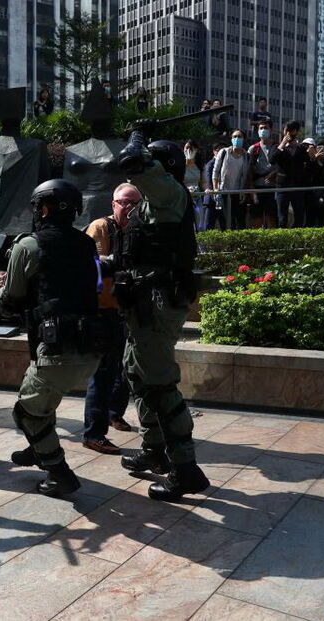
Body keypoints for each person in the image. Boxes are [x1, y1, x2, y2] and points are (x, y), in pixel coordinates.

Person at [112, 131, 209, 502]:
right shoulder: (154, 205)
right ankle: (155, 448)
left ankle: (186, 470)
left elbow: (134, 165)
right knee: (136, 373)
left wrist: (137, 139)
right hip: (141, 303)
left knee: (160, 382)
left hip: (157, 304)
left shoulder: (170, 195)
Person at [0, 179, 103, 496]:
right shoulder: (85, 243)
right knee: (45, 402)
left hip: (57, 350)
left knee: (26, 412)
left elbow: (9, 301)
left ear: (43, 207)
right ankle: (38, 450)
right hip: (91, 346)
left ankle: (58, 471)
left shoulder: (29, 245)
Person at [81, 183, 138, 455]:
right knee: (103, 373)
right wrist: (117, 263)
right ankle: (94, 433)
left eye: (134, 203)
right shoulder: (100, 227)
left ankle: (115, 413)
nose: (128, 208)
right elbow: (88, 262)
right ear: (113, 204)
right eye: (123, 203)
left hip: (128, 309)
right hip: (102, 310)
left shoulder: (140, 229)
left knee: (125, 368)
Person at [270, 120, 310, 228]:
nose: (288, 133)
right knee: (282, 217)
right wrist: (282, 144)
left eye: (291, 131)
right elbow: (272, 160)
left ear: (296, 132)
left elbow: (308, 162)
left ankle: (296, 239)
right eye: (286, 130)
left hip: (297, 186)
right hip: (282, 186)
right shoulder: (277, 147)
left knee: (299, 216)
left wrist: (303, 149)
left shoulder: (301, 148)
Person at [211, 128, 251, 230]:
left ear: (244, 139)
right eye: (234, 137)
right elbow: (215, 172)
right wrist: (216, 189)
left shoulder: (246, 155)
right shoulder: (224, 152)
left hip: (239, 194)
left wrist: (244, 192)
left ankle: (239, 245)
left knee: (240, 222)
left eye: (239, 137)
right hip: (224, 193)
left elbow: (247, 176)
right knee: (227, 222)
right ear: (231, 139)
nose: (237, 138)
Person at [247, 120, 279, 228]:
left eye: (265, 128)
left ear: (271, 130)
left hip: (273, 189)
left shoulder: (278, 147)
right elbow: (249, 173)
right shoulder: (253, 149)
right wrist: (252, 192)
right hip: (257, 188)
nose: (263, 130)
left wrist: (275, 173)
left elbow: (284, 167)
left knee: (272, 219)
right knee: (256, 220)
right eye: (261, 128)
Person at [304, 138, 324, 227]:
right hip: (310, 192)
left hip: (322, 191)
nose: (320, 150)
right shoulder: (308, 160)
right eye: (318, 147)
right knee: (309, 219)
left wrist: (321, 160)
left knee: (322, 218)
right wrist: (314, 158)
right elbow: (307, 171)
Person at [183, 141, 205, 230]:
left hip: (196, 195)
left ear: (196, 150)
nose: (188, 150)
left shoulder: (199, 164)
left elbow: (203, 181)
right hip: (184, 195)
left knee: (199, 219)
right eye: (186, 148)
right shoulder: (180, 164)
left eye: (190, 148)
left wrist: (207, 190)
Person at [203, 143, 226, 231]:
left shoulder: (226, 163)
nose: (221, 152)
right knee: (209, 224)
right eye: (218, 150)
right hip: (212, 199)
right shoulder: (210, 164)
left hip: (223, 198)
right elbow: (209, 180)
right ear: (214, 151)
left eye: (223, 150)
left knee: (225, 223)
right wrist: (214, 194)